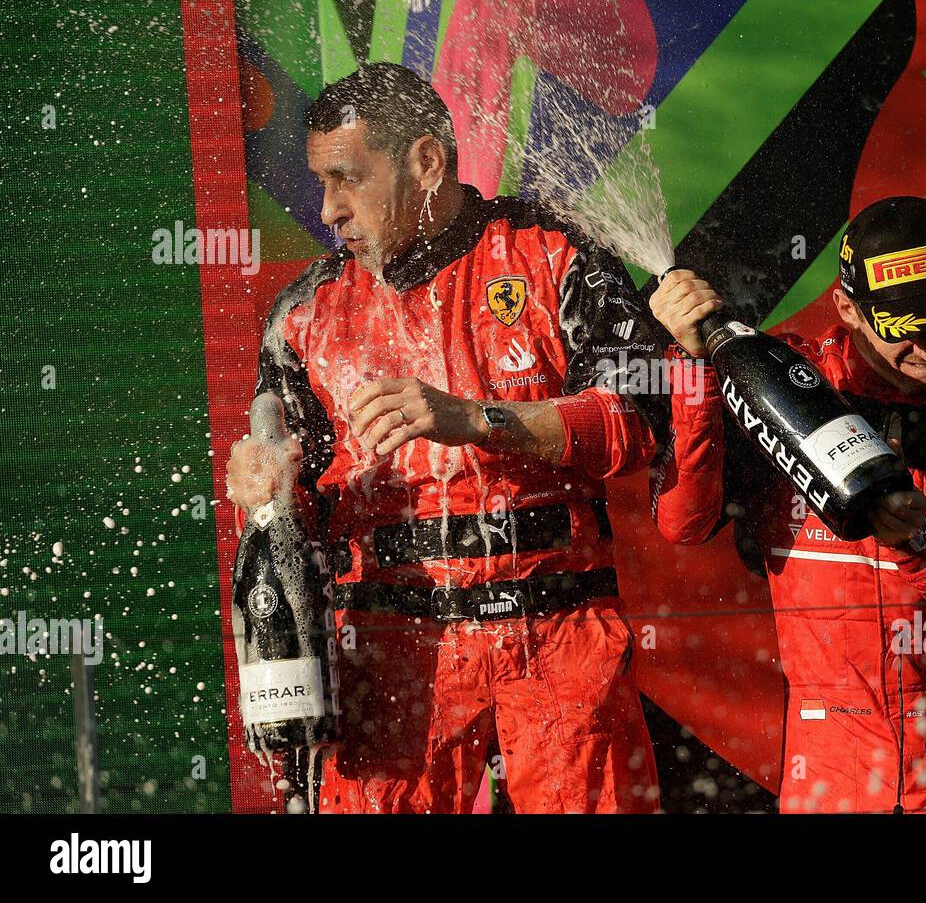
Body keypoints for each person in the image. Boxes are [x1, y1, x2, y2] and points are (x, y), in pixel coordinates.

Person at [224, 62, 664, 813]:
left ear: (427, 162)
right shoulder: (303, 316)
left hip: (560, 637)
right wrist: (259, 483)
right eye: (319, 182)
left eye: (348, 180)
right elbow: (290, 505)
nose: (327, 209)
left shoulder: (555, 253)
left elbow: (643, 423)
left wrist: (475, 419)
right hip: (391, 656)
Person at [649, 197, 926, 813]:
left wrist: (925, 546)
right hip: (829, 765)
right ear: (846, 308)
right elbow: (684, 523)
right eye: (905, 328)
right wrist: (693, 370)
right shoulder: (782, 382)